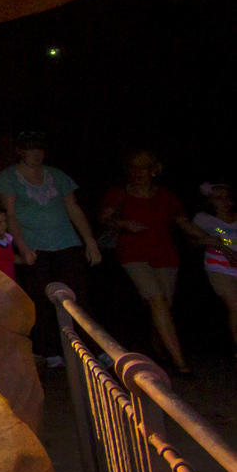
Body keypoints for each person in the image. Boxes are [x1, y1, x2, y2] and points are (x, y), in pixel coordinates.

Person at [0, 132, 102, 368]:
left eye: (39, 149)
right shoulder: (8, 178)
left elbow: (73, 208)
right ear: (20, 151)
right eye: (31, 149)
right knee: (42, 298)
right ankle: (51, 349)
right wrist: (22, 247)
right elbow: (10, 214)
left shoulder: (56, 175)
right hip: (34, 245)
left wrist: (90, 241)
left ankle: (92, 348)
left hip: (65, 241)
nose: (36, 154)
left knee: (78, 296)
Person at [101, 150, 191, 374]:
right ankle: (180, 363)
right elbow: (104, 218)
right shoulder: (119, 193)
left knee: (163, 307)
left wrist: (222, 243)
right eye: (134, 167)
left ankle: (160, 348)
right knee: (157, 300)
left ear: (154, 170)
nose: (138, 172)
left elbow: (189, 226)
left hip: (165, 255)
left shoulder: (167, 196)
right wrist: (122, 223)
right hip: (134, 254)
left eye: (144, 167)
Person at [191, 182, 237, 352]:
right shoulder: (204, 219)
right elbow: (192, 241)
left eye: (227, 197)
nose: (224, 201)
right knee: (235, 306)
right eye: (219, 198)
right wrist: (215, 244)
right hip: (219, 268)